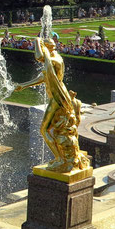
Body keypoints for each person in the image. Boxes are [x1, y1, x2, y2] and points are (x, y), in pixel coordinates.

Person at [14, 38, 89, 173]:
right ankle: (61, 157)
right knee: (55, 129)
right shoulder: (55, 58)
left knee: (44, 130)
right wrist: (24, 85)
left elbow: (39, 57)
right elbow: (44, 77)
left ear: (46, 48)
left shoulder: (53, 60)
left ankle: (60, 158)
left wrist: (37, 41)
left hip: (57, 98)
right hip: (58, 96)